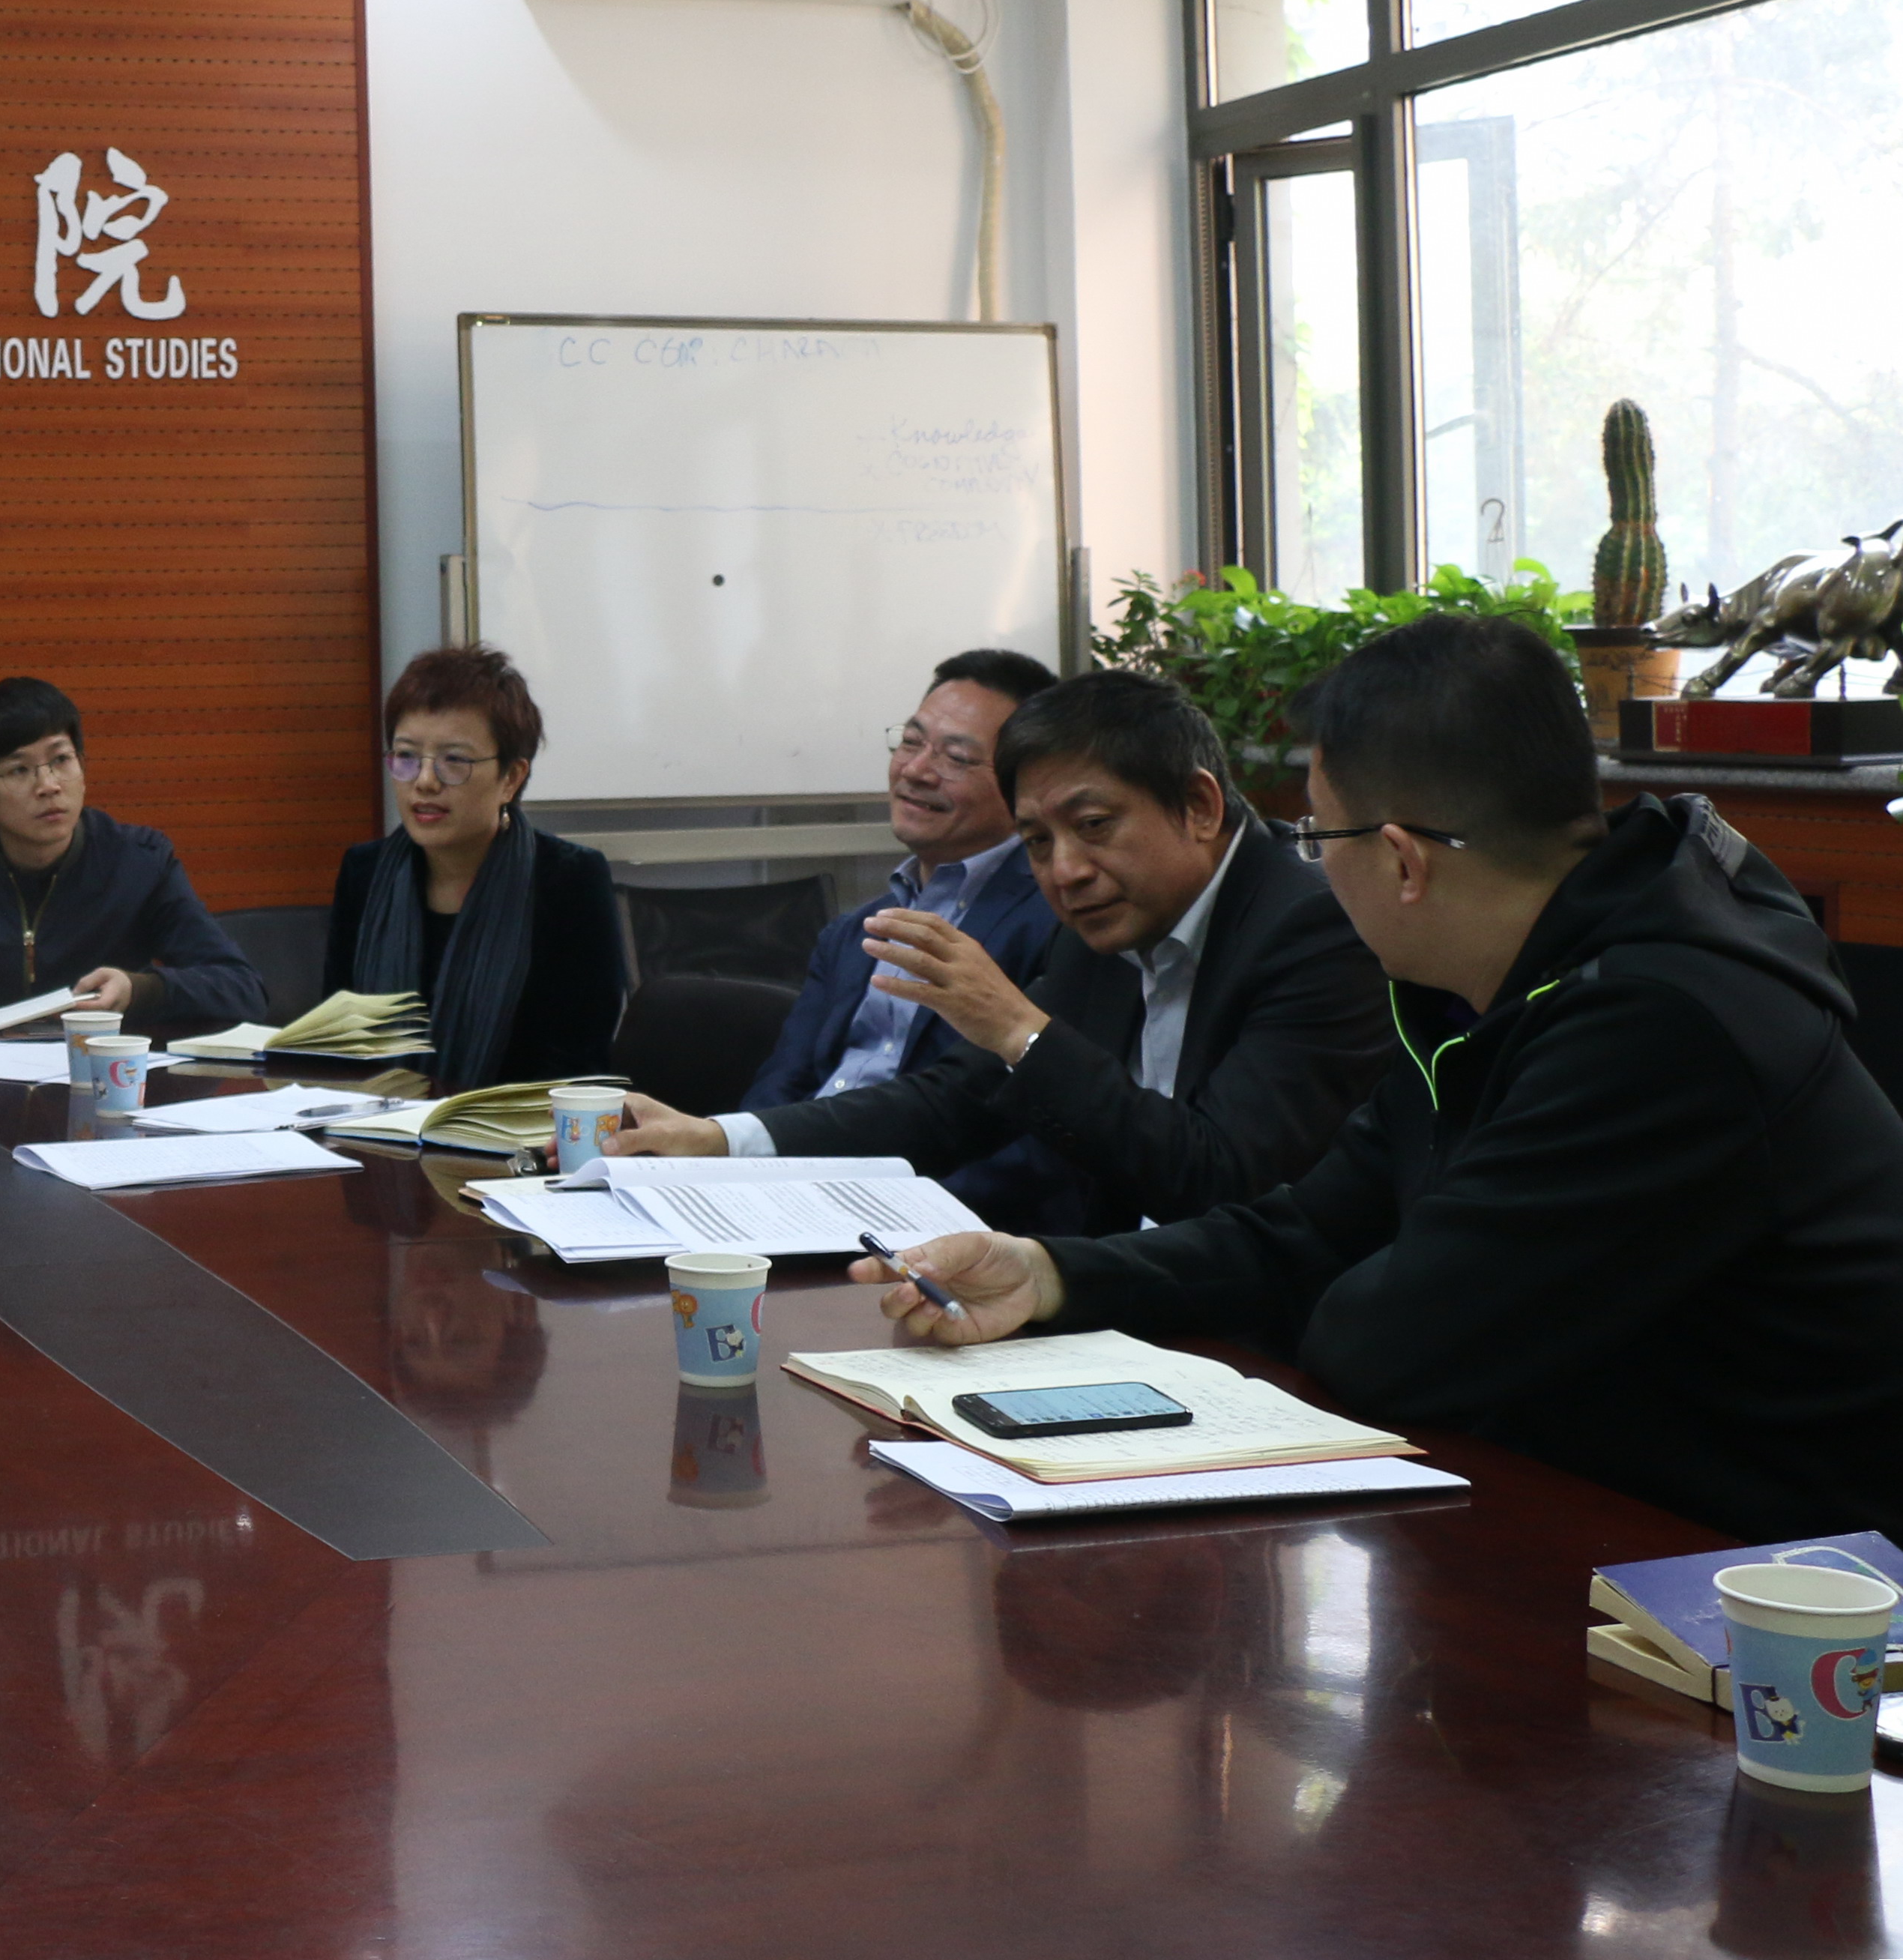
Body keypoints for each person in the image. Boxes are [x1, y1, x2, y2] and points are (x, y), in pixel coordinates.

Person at [855, 613, 1903, 1542]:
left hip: (1779, 1577)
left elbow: (1393, 1344)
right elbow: (1305, 1228)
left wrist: (1307, 1289)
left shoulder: (1659, 1027)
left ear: (1402, 859)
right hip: (1596, 1508)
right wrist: (1049, 1274)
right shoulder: (1476, 993)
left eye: (1317, 837)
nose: (1310, 868)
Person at [612, 669, 1385, 1235]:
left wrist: (1021, 1030)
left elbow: (1219, 1179)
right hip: (1129, 1295)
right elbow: (955, 1101)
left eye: (1093, 826)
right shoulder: (1102, 927)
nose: (1065, 871)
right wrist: (721, 1138)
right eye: (1037, 841)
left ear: (1199, 805)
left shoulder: (1314, 931)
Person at [739, 649, 1065, 1222]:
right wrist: (730, 1173)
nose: (915, 770)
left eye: (956, 757)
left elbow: (1028, 1142)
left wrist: (883, 1211)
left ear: (1024, 782)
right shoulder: (852, 930)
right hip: (792, 1202)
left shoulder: (1055, 921)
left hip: (923, 1221)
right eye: (910, 742)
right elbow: (781, 1088)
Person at [0, 676, 265, 1040]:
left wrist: (139, 990)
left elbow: (242, 989)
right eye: (19, 771)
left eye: (61, 760)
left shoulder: (139, 862)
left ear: (82, 768)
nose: (49, 785)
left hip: (99, 1077)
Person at [320, 645, 622, 1087]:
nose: (425, 781)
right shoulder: (364, 873)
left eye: (454, 761)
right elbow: (338, 1046)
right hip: (374, 1123)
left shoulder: (569, 880)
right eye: (407, 757)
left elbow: (577, 1070)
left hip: (516, 1128)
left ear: (511, 778)